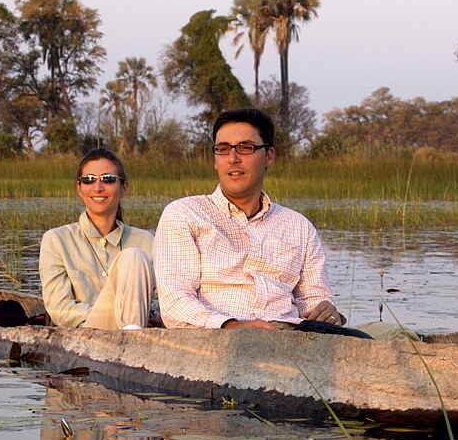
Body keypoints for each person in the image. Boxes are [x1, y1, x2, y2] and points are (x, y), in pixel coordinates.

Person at [153, 108, 365, 335]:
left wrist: (327, 311)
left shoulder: (298, 226)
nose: (233, 159)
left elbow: (313, 299)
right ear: (215, 160)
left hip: (289, 335)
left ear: (269, 156)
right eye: (223, 149)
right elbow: (175, 303)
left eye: (246, 148)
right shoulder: (185, 214)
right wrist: (234, 326)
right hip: (219, 336)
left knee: (373, 339)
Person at [37, 148, 157, 329]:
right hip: (86, 334)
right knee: (133, 256)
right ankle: (130, 335)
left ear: (124, 187)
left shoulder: (146, 240)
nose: (98, 188)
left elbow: (163, 300)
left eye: (108, 179)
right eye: (88, 180)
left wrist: (144, 312)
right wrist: (113, 315)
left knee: (133, 256)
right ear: (79, 188)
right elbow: (60, 309)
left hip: (138, 327)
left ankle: (131, 337)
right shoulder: (56, 240)